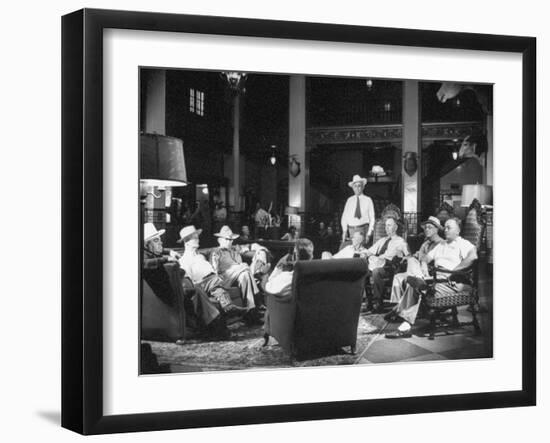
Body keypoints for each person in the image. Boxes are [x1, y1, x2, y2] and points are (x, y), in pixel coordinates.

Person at [385, 218, 477, 338]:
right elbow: (426, 258)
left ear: (458, 230)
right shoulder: (442, 244)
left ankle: (403, 320)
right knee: (413, 264)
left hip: (452, 282)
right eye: (445, 227)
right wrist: (423, 264)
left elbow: (473, 256)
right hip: (436, 279)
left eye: (449, 227)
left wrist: (454, 271)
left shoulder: (462, 243)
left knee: (414, 287)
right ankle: (420, 282)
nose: (445, 230)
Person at [142, 223, 222, 343]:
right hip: (169, 295)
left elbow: (159, 251)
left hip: (175, 290)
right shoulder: (143, 258)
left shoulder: (149, 251)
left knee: (197, 290)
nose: (161, 243)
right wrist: (166, 258)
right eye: (157, 240)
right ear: (147, 244)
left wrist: (169, 252)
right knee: (196, 291)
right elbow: (144, 263)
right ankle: (216, 325)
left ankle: (214, 324)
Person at [177, 225, 248, 323]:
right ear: (186, 242)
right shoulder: (184, 260)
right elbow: (189, 282)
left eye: (197, 237)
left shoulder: (200, 256)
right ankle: (228, 306)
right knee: (216, 279)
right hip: (201, 285)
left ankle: (228, 306)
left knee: (218, 282)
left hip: (214, 283)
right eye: (194, 238)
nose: (198, 239)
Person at [385, 216, 444, 319]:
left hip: (431, 273)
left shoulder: (441, 244)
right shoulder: (426, 243)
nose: (426, 230)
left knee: (411, 269)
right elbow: (419, 255)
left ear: (437, 229)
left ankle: (399, 310)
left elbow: (438, 262)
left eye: (429, 227)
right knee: (399, 277)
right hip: (418, 271)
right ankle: (400, 307)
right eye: (425, 228)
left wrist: (420, 261)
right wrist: (407, 257)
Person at [210, 225, 263, 316]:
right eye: (226, 239)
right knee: (244, 267)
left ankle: (251, 310)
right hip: (225, 277)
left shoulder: (234, 251)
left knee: (245, 274)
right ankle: (259, 301)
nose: (229, 242)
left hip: (237, 276)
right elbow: (214, 270)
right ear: (220, 240)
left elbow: (240, 266)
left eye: (231, 240)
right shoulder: (216, 252)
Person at [365, 216, 409, 312]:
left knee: (376, 272)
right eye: (385, 226)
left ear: (395, 227)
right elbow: (369, 251)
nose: (386, 228)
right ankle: (369, 301)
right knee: (363, 270)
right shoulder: (382, 240)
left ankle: (378, 303)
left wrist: (401, 256)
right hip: (377, 263)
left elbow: (408, 256)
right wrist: (363, 253)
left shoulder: (400, 241)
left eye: (389, 225)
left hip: (390, 267)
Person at [340, 174, 375, 245]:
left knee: (361, 253)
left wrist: (369, 234)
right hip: (351, 231)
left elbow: (372, 218)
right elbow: (344, 217)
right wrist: (344, 231)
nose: (357, 188)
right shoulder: (349, 200)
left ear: (363, 187)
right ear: (352, 188)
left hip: (363, 230)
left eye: (359, 186)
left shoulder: (368, 200)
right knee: (351, 252)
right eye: (355, 186)